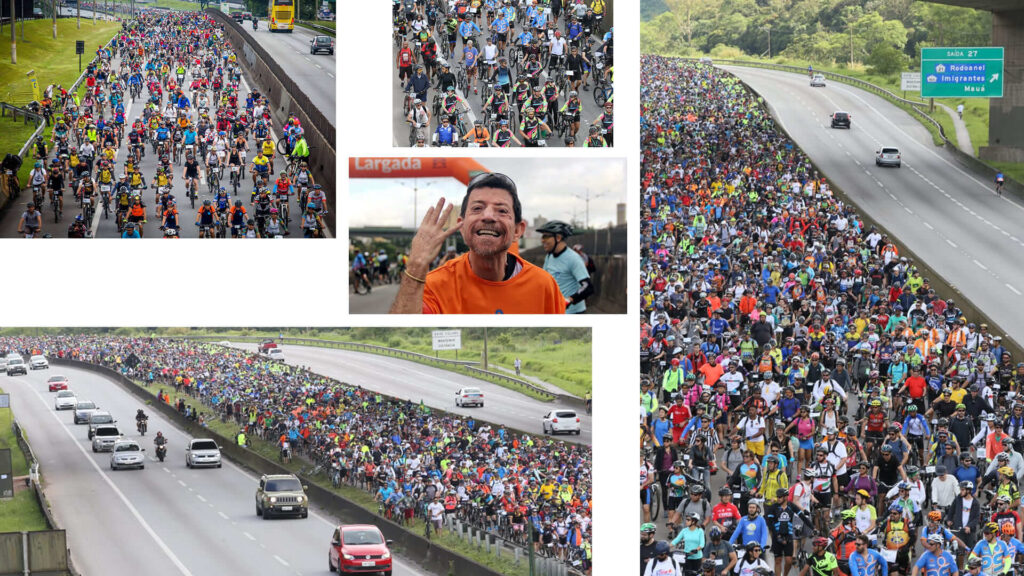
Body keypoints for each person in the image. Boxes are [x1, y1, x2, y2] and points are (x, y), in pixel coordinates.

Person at [389, 172, 565, 314]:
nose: (488, 216)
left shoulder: (545, 286)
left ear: (518, 230)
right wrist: (415, 266)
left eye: (501, 210)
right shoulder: (435, 285)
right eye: (477, 208)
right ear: (462, 226)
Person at [536, 220, 593, 313]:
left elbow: (588, 286)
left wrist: (569, 300)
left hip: (574, 313)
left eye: (545, 236)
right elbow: (544, 280)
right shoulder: (549, 256)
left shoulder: (573, 258)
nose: (542, 240)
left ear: (558, 237)